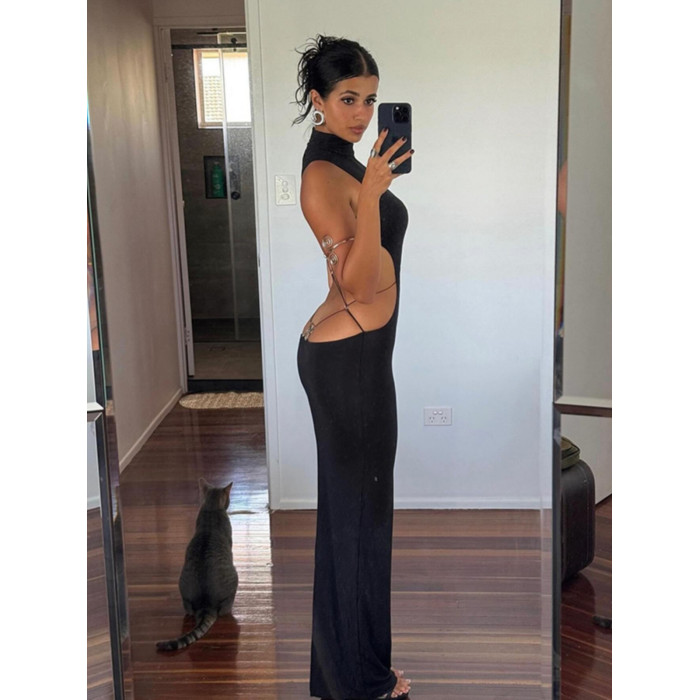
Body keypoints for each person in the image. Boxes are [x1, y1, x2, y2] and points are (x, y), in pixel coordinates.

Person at [294, 35, 413, 700]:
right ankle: (361, 681)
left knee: (359, 518)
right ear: (318, 99)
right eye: (347, 99)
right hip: (348, 364)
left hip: (359, 356)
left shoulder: (347, 160)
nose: (362, 113)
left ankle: (352, 673)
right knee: (360, 519)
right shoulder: (321, 174)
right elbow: (358, 285)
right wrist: (371, 197)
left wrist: (370, 186)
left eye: (370, 100)